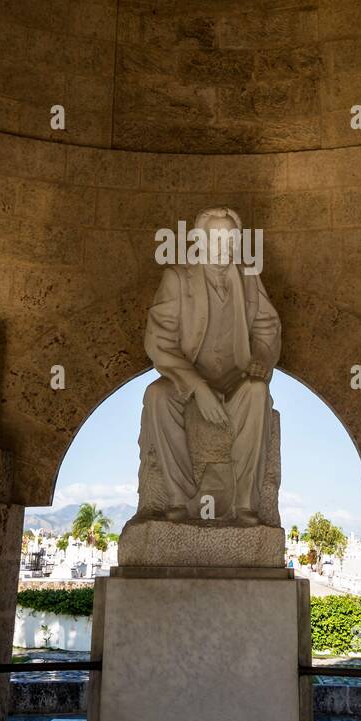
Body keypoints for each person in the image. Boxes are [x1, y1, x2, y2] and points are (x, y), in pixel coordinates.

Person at [137, 207, 281, 523]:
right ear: (199, 240)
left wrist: (260, 359)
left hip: (236, 378)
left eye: (229, 237)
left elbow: (267, 326)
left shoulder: (248, 276)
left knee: (258, 393)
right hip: (188, 378)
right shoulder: (177, 277)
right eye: (215, 236)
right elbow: (159, 341)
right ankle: (179, 497)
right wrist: (197, 387)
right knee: (156, 395)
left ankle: (245, 502)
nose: (223, 244)